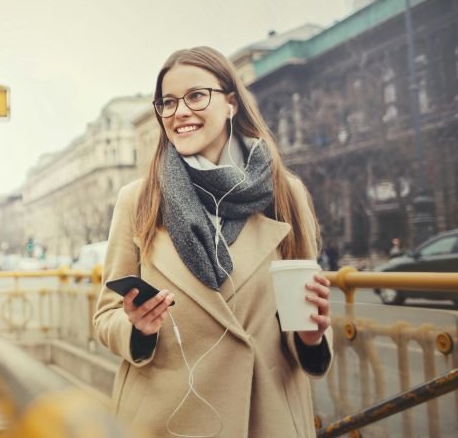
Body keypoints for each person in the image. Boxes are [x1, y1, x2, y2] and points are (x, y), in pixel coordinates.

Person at [93, 46, 333, 437]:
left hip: (264, 415)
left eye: (196, 96)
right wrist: (137, 328)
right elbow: (106, 317)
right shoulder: (139, 199)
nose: (180, 112)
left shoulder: (284, 193)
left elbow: (302, 306)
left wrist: (311, 336)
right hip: (165, 418)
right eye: (168, 102)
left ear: (231, 103)